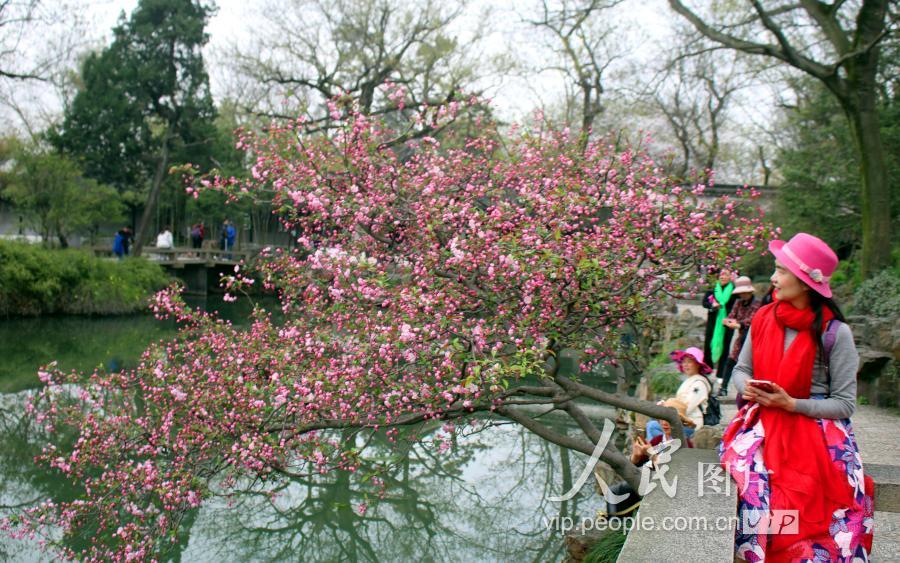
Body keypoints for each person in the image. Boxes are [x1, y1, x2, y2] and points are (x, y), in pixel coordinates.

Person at [720, 232, 873, 562]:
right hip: (762, 425)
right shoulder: (763, 317)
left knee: (802, 513)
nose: (773, 278)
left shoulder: (836, 334)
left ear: (806, 282)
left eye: (781, 270)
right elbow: (740, 369)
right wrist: (747, 386)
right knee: (754, 493)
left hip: (815, 434)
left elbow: (845, 404)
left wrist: (791, 404)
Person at [646, 347, 713, 441]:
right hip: (681, 421)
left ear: (698, 364)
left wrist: (666, 409)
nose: (686, 365)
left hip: (692, 425)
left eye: (689, 362)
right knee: (652, 424)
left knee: (652, 426)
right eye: (684, 362)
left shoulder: (699, 384)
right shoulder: (689, 381)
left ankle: (658, 451)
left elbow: (687, 407)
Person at [718, 276, 761, 397]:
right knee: (731, 360)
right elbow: (732, 315)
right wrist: (727, 321)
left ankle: (750, 389)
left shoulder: (757, 303)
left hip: (753, 336)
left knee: (750, 363)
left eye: (744, 292)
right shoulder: (738, 302)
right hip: (741, 336)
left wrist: (738, 324)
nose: (742, 295)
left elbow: (752, 320)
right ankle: (723, 387)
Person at [702, 268, 737, 383]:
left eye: (725, 275)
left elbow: (737, 306)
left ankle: (720, 374)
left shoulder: (734, 291)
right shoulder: (713, 290)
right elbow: (704, 303)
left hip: (727, 323)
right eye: (721, 275)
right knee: (708, 344)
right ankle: (707, 369)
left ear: (730, 277)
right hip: (713, 321)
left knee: (725, 346)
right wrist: (712, 305)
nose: (722, 277)